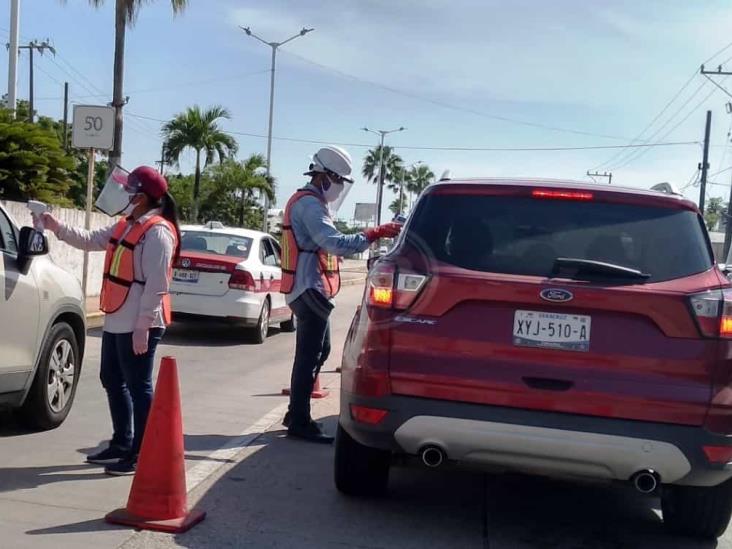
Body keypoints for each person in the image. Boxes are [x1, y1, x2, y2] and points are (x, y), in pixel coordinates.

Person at [35, 166, 181, 475]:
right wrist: (54, 226)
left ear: (142, 198)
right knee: (112, 379)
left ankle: (140, 452)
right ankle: (122, 442)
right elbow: (88, 239)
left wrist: (143, 327)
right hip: (117, 317)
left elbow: (157, 285)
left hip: (140, 322)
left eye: (130, 192)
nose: (125, 196)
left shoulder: (157, 232)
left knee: (139, 386)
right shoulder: (126, 225)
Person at [280, 146, 402, 443]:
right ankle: (299, 420)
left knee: (317, 353)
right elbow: (333, 242)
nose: (338, 188)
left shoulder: (310, 202)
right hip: (310, 288)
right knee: (310, 356)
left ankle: (295, 411)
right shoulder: (310, 205)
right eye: (337, 181)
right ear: (325, 177)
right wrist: (374, 233)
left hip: (307, 287)